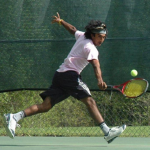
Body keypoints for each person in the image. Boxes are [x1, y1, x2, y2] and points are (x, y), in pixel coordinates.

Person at [3, 12, 126, 143]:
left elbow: (73, 30)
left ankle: (14, 117)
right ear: (93, 34)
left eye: (104, 37)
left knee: (46, 106)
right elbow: (96, 65)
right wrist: (100, 81)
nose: (102, 40)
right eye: (100, 37)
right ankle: (107, 132)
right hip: (70, 75)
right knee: (90, 101)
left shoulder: (82, 37)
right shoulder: (91, 48)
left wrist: (61, 22)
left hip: (60, 75)